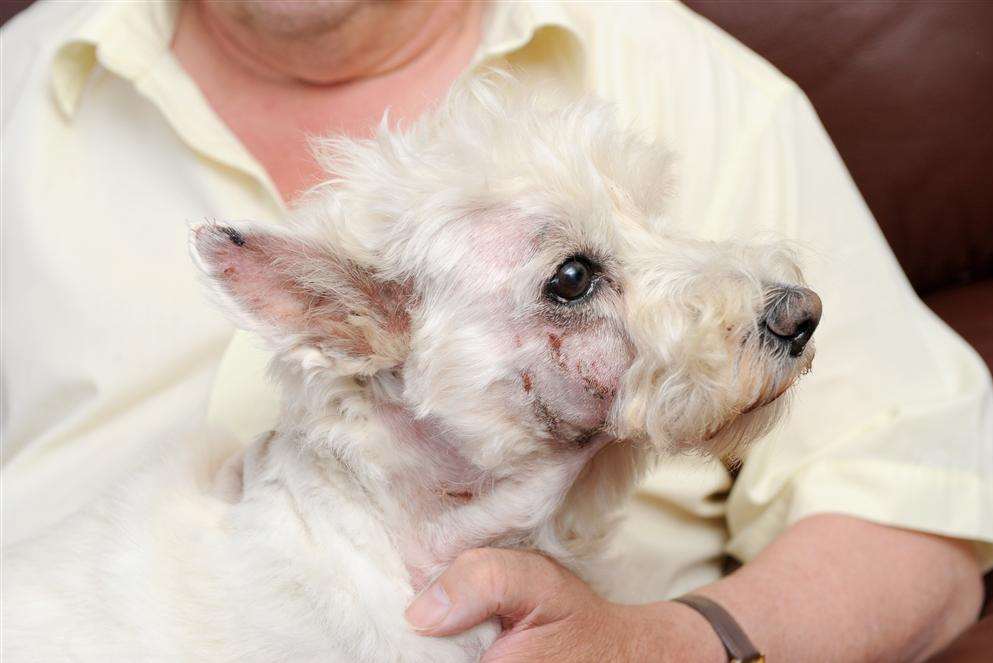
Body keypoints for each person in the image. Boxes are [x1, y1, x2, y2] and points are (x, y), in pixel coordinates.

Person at [2, 1, 990, 660]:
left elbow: (926, 496)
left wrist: (675, 645)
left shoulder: (676, 65)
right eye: (572, 279)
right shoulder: (20, 82)